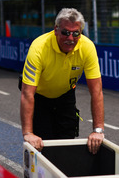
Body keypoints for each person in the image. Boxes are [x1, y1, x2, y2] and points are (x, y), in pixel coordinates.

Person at [20, 8, 105, 154]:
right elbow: (27, 93)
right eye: (65, 32)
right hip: (39, 97)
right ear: (56, 29)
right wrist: (28, 133)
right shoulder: (38, 47)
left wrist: (98, 130)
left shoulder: (87, 47)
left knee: (67, 145)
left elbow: (96, 91)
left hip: (65, 95)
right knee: (42, 145)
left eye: (76, 33)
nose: (70, 38)